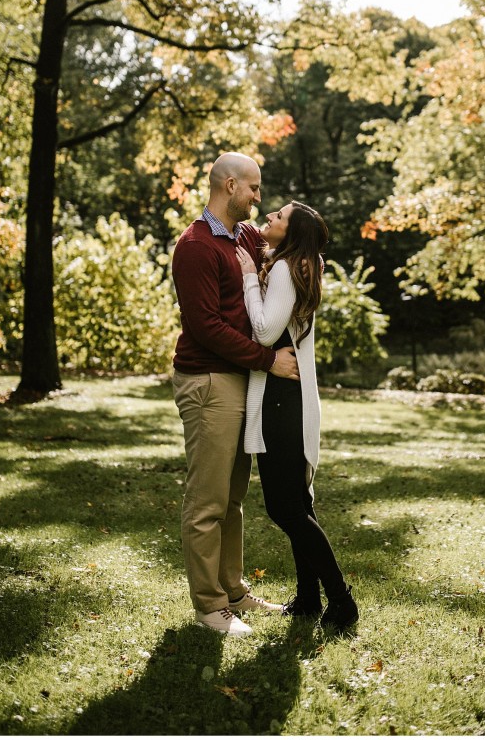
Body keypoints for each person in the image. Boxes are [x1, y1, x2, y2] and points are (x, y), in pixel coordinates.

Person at [172, 152, 300, 637]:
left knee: (232, 497)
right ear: (230, 185)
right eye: (254, 188)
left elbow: (282, 264)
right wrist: (269, 360)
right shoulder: (196, 246)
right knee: (207, 501)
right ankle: (209, 607)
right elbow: (204, 327)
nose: (258, 198)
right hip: (209, 380)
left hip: (240, 379)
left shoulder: (244, 237)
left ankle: (232, 590)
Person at [235, 200, 359, 633]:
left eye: (279, 217)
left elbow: (266, 331)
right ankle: (308, 599)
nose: (270, 216)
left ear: (292, 233)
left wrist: (251, 278)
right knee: (297, 503)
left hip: (283, 400)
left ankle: (341, 601)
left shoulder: (287, 269)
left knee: (284, 508)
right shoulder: (296, 267)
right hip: (290, 396)